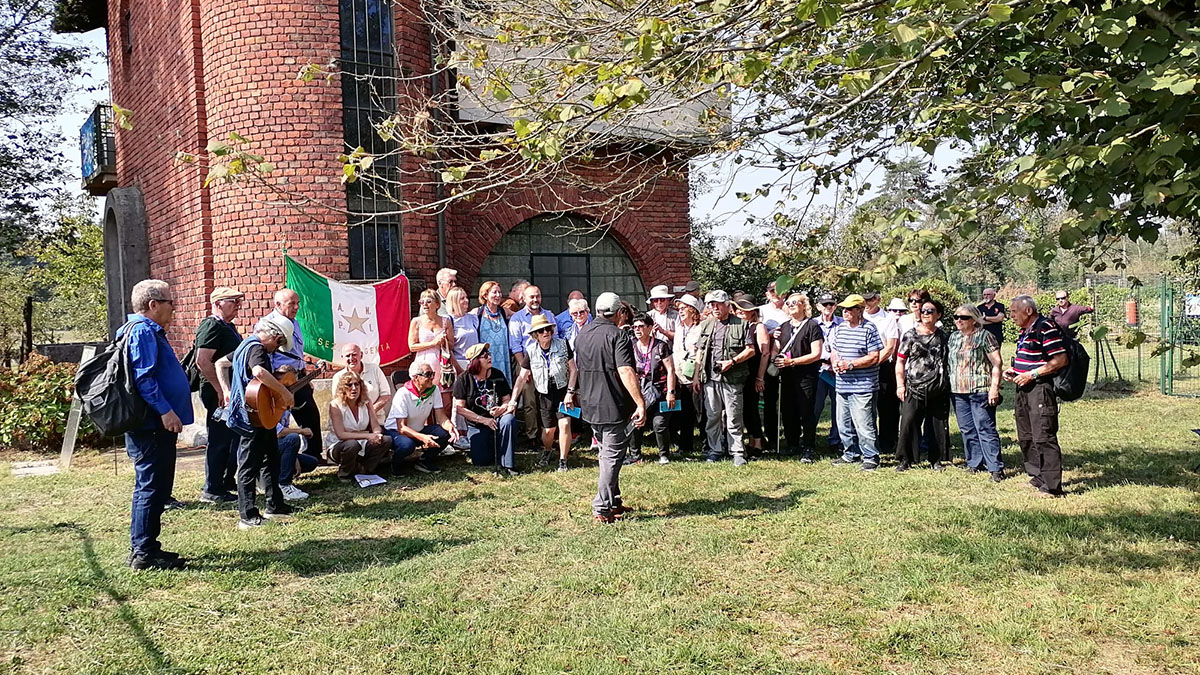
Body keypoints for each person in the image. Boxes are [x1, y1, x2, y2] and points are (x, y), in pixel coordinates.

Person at [120, 279, 193, 570]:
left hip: (154, 425)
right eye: (169, 302)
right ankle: (144, 553)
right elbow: (143, 378)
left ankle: (146, 547)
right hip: (150, 426)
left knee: (155, 486)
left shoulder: (142, 330)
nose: (173, 308)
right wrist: (165, 411)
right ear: (153, 305)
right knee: (150, 487)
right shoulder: (142, 331)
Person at [215, 314, 298, 530]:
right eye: (279, 342)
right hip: (251, 416)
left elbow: (221, 363)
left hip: (262, 413)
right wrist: (284, 392)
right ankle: (247, 515)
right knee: (249, 464)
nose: (277, 347)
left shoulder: (244, 345)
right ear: (272, 334)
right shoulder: (257, 348)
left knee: (270, 459)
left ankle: (275, 506)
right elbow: (259, 371)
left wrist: (226, 390)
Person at [575, 292, 646, 522]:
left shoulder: (582, 334)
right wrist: (639, 402)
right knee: (611, 458)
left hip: (590, 404)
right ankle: (602, 507)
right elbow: (625, 370)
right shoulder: (618, 336)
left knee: (607, 456)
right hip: (613, 404)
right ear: (618, 313)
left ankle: (613, 501)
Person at [1005, 295, 1069, 498]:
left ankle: (1052, 486)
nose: (1011, 316)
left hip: (1039, 388)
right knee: (1026, 435)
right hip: (1022, 386)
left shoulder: (1045, 327)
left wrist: (1031, 375)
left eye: (1014, 311)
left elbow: (1060, 359)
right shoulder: (1025, 330)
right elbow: (1030, 358)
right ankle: (1037, 475)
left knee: (1043, 435)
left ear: (1028, 311)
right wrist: (1014, 370)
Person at [693, 290, 756, 466]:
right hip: (710, 379)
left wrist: (732, 361)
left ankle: (737, 452)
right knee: (712, 416)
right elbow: (700, 352)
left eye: (718, 304)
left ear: (727, 305)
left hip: (733, 378)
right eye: (711, 305)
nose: (715, 308)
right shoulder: (706, 325)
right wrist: (697, 376)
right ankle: (715, 450)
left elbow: (751, 350)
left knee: (733, 416)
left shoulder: (742, 324)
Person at [193, 286, 244, 504]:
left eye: (238, 301)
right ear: (217, 303)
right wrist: (220, 388)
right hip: (219, 393)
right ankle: (212, 488)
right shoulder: (211, 326)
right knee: (220, 439)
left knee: (232, 438)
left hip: (230, 391)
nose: (238, 306)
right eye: (232, 301)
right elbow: (203, 361)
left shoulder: (228, 326)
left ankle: (225, 481)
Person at [513, 314, 578, 471]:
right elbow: (522, 378)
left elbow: (573, 369)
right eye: (541, 330)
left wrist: (570, 392)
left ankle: (563, 460)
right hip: (544, 394)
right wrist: (513, 400)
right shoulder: (531, 351)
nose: (545, 333)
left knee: (565, 424)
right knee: (548, 431)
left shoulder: (563, 345)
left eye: (547, 329)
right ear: (535, 335)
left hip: (563, 391)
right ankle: (547, 450)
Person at [948, 304, 1005, 481]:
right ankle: (974, 462)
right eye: (956, 317)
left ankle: (995, 468)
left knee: (985, 428)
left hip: (980, 389)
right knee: (967, 429)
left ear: (974, 320)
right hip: (958, 390)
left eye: (963, 317)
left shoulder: (985, 337)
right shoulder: (954, 337)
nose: (959, 320)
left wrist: (994, 388)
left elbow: (997, 363)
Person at [828, 294, 883, 471]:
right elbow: (835, 350)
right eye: (843, 309)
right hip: (842, 384)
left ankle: (870, 456)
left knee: (863, 424)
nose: (845, 312)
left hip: (863, 385)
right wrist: (835, 362)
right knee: (843, 422)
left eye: (850, 309)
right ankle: (850, 453)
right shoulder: (840, 328)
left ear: (860, 310)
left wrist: (851, 364)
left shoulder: (869, 328)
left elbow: (874, 356)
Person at [895, 298, 951, 472]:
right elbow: (900, 361)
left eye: (930, 311)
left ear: (938, 315)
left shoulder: (943, 336)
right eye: (923, 311)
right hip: (913, 386)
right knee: (908, 422)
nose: (926, 313)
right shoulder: (910, 335)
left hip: (937, 387)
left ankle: (936, 459)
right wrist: (900, 385)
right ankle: (905, 459)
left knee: (936, 425)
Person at [266, 289, 321, 462]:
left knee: (310, 413)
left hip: (298, 377)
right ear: (278, 305)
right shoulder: (268, 325)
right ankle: (284, 459)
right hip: (281, 381)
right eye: (292, 304)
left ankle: (313, 454)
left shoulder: (294, 323)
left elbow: (297, 352)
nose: (297, 307)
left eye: (298, 303)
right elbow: (266, 357)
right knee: (282, 418)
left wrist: (304, 374)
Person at [772, 292, 824, 461]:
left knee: (806, 411)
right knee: (788, 411)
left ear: (804, 305)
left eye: (795, 302)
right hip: (787, 376)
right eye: (788, 303)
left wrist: (792, 362)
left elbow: (816, 354)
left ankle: (808, 447)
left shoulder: (812, 326)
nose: (791, 305)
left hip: (806, 376)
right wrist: (776, 358)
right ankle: (792, 444)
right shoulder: (784, 327)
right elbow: (776, 348)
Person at [453, 343, 520, 475]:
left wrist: (502, 408)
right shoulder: (463, 379)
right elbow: (460, 408)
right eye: (484, 356)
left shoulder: (498, 374)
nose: (489, 357)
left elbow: (507, 399)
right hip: (477, 424)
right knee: (480, 461)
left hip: (498, 420)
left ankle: (508, 464)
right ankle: (494, 447)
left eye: (489, 354)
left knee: (509, 420)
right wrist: (483, 420)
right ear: (475, 361)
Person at [385, 361, 458, 474]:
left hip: (418, 430)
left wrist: (450, 427)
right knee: (407, 445)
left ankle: (424, 461)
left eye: (432, 374)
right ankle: (395, 465)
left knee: (445, 433)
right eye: (428, 374)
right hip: (396, 431)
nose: (432, 378)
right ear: (415, 378)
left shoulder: (434, 390)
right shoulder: (403, 393)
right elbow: (401, 428)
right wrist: (423, 437)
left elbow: (441, 416)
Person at [509, 284, 558, 447]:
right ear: (524, 298)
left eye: (537, 296)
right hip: (526, 363)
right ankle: (532, 436)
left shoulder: (549, 315)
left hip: (548, 363)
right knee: (530, 402)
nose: (535, 299)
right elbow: (516, 346)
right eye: (532, 297)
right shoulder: (517, 318)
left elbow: (555, 340)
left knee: (548, 399)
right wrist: (524, 367)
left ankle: (549, 433)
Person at [325, 369, 392, 479]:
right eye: (349, 385)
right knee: (352, 445)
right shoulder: (335, 405)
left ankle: (365, 469)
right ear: (343, 388)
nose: (354, 388)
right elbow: (341, 435)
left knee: (386, 440)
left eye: (357, 384)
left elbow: (375, 425)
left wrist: (376, 435)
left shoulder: (366, 402)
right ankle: (345, 474)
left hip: (362, 442)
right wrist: (368, 436)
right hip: (339, 444)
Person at [628, 313, 677, 464]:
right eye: (634, 327)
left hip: (660, 391)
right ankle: (635, 455)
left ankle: (664, 455)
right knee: (636, 420)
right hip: (640, 391)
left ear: (649, 328)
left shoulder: (660, 346)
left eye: (641, 326)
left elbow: (670, 370)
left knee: (659, 423)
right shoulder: (631, 346)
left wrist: (671, 392)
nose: (637, 329)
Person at [862, 290, 901, 456]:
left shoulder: (889, 318)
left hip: (883, 366)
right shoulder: (857, 315)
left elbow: (890, 346)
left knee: (887, 408)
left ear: (878, 300)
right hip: (861, 367)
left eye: (871, 299)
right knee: (864, 407)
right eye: (865, 299)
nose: (868, 303)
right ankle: (869, 442)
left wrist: (873, 362)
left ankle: (887, 442)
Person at [734, 297, 772, 456]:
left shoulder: (758, 327)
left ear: (752, 312)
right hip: (742, 373)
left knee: (752, 409)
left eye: (743, 310)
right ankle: (751, 440)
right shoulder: (739, 327)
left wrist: (760, 377)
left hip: (754, 372)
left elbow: (765, 353)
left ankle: (758, 442)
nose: (740, 313)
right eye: (737, 310)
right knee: (744, 410)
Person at [408, 288, 455, 412]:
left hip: (442, 365)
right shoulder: (416, 321)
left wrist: (443, 341)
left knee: (446, 403)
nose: (424, 304)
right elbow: (412, 346)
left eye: (428, 301)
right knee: (425, 404)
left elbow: (452, 344)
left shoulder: (446, 321)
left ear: (437, 304)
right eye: (421, 302)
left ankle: (445, 429)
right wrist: (433, 343)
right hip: (423, 365)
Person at [446, 286, 480, 451]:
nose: (466, 301)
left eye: (466, 297)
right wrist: (458, 368)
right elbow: (448, 349)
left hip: (473, 363)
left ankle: (471, 431)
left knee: (472, 398)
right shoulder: (449, 320)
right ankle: (458, 435)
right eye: (462, 299)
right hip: (458, 364)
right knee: (458, 401)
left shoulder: (472, 318)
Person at [670, 294, 703, 457]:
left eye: (683, 308)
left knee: (699, 411)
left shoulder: (700, 329)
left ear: (692, 310)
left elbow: (699, 354)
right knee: (684, 413)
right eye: (679, 309)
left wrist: (697, 376)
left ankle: (707, 444)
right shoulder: (679, 328)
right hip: (680, 375)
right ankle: (685, 446)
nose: (680, 311)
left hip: (694, 376)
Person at [813, 292, 845, 451]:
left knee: (838, 407)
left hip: (838, 370)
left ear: (835, 306)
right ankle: (810, 438)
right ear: (818, 306)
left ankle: (836, 441)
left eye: (831, 304)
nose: (828, 307)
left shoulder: (843, 323)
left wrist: (836, 364)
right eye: (825, 304)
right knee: (815, 406)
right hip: (818, 369)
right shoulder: (811, 323)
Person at [330, 343, 392, 418]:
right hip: (350, 425)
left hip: (377, 420)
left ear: (361, 355)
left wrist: (370, 413)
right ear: (343, 357)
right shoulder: (338, 377)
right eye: (347, 356)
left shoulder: (374, 369)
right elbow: (338, 401)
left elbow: (386, 395)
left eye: (354, 354)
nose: (351, 358)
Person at [472, 281, 513, 384]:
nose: (498, 295)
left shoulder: (504, 311)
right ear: (485, 295)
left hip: (503, 356)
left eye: (499, 292)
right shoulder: (477, 313)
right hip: (486, 357)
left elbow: (521, 317)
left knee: (503, 388)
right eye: (494, 292)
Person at [275, 408, 317, 500]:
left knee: (311, 462)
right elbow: (279, 432)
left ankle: (274, 480)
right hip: (265, 452)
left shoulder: (286, 409)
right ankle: (284, 485)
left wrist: (294, 457)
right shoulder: (271, 405)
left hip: (278, 449)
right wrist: (301, 431)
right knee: (293, 438)